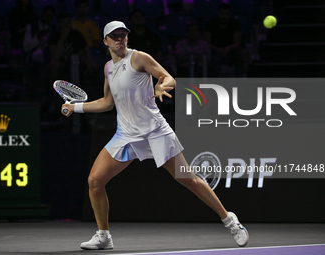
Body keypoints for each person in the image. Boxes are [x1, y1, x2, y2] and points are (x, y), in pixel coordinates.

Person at [61, 21, 249, 250]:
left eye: (123, 35)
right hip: (126, 134)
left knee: (189, 180)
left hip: (155, 131)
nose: (120, 39)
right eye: (114, 36)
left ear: (127, 38)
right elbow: (107, 102)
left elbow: (169, 78)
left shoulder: (139, 58)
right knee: (94, 181)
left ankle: (230, 221)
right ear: (105, 42)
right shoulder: (108, 68)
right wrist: (76, 108)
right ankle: (103, 236)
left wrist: (161, 87)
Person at [204, 3, 245, 77]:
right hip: (213, 50)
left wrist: (228, 48)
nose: (224, 16)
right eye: (222, 13)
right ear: (218, 13)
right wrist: (218, 50)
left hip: (231, 50)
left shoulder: (234, 23)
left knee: (240, 54)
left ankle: (240, 78)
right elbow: (207, 42)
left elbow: (237, 42)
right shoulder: (210, 23)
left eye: (227, 14)